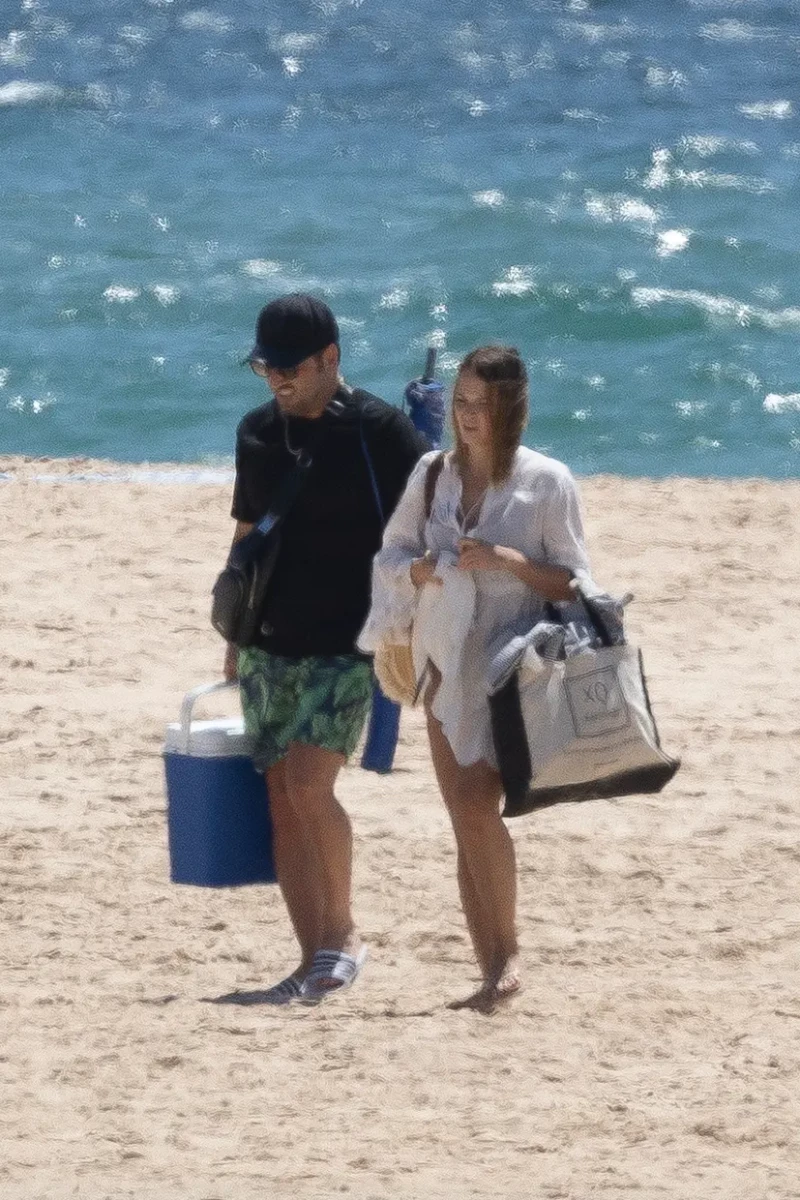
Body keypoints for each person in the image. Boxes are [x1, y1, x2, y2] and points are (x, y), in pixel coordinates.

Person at [359, 345, 591, 1012]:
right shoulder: (434, 477)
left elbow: (575, 581)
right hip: (441, 661)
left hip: (513, 666)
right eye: (459, 401)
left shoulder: (548, 483)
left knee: (476, 807)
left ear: (509, 407)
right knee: (465, 814)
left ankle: (508, 948)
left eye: (480, 404)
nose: (466, 414)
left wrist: (509, 561)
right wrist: (424, 569)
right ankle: (491, 966)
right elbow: (392, 555)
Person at [225, 293, 425, 1004]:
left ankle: (343, 937)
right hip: (269, 641)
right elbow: (248, 536)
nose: (275, 380)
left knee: (311, 785)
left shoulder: (382, 433)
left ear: (330, 360)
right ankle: (311, 958)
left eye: (288, 368)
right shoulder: (256, 433)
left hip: (349, 643)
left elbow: (422, 535)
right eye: (263, 367)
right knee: (281, 797)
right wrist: (232, 635)